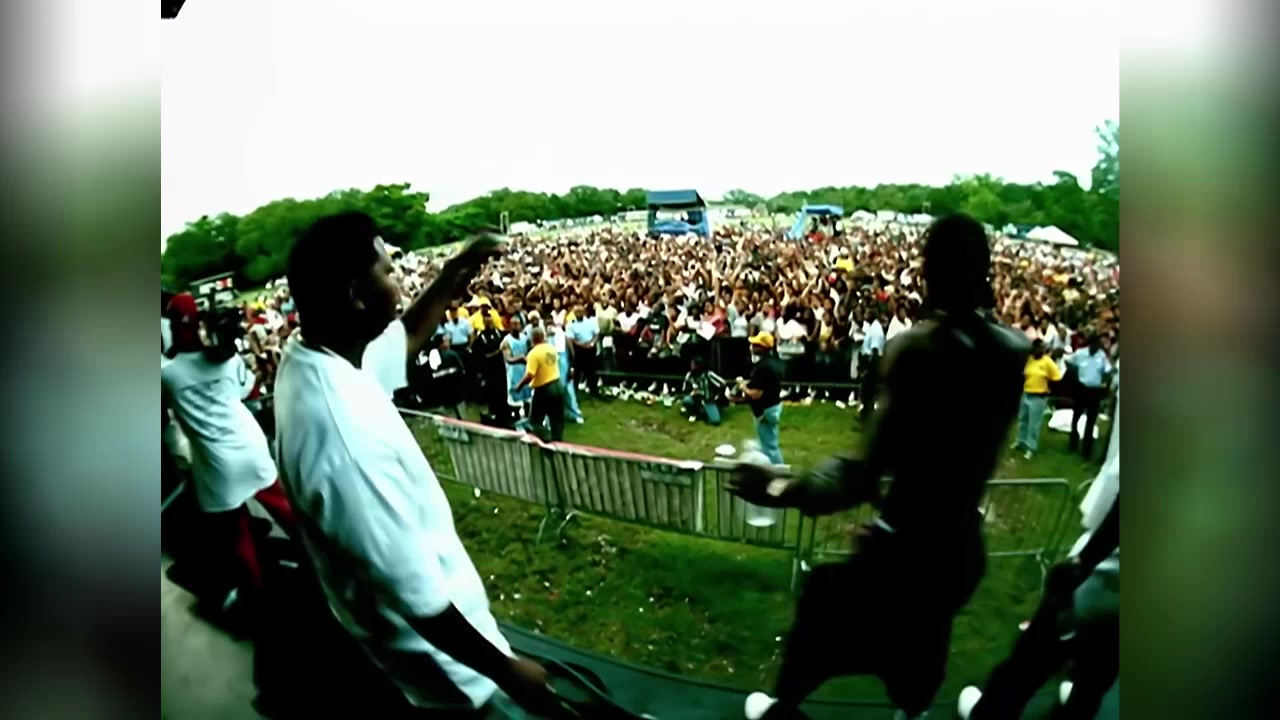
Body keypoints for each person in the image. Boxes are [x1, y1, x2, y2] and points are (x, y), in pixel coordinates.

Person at [729, 214, 1028, 720]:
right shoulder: (1012, 352)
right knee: (925, 635)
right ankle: (912, 709)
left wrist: (777, 488)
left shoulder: (917, 350)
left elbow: (861, 475)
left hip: (906, 548)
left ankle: (783, 709)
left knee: (823, 608)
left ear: (930, 273)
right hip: (959, 548)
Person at [272, 212, 556, 716]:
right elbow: (417, 598)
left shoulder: (319, 354)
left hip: (447, 652)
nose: (398, 277)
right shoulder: (343, 437)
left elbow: (401, 340)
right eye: (387, 270)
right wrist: (506, 672)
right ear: (356, 294)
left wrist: (453, 274)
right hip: (456, 675)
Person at [958, 428, 1119, 720]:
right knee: (1102, 665)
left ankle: (990, 714)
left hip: (1106, 575)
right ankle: (1079, 698)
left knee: (1031, 658)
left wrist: (1082, 564)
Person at [161, 293, 296, 621]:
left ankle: (258, 596)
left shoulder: (166, 374)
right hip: (250, 447)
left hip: (217, 466)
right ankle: (326, 561)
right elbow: (251, 392)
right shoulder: (227, 359)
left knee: (237, 534)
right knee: (287, 512)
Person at [734, 332, 784, 465]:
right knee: (768, 443)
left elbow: (756, 394)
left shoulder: (763, 367)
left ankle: (778, 470)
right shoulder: (774, 362)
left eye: (755, 344)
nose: (752, 346)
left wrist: (742, 386)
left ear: (763, 347)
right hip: (773, 406)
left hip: (766, 410)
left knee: (770, 447)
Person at [514, 325, 566, 442]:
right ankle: (557, 442)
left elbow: (530, 375)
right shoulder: (551, 348)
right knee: (557, 419)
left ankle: (546, 439)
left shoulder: (533, 353)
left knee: (535, 421)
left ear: (532, 338)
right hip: (557, 384)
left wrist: (519, 386)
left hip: (544, 389)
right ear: (543, 337)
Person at [1013, 339, 1063, 459]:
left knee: (1033, 425)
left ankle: (1031, 448)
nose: (1039, 350)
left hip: (1038, 397)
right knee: (1023, 420)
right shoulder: (1030, 360)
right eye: (1037, 348)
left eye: (1042, 348)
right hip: (1026, 393)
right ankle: (1020, 441)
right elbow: (1024, 374)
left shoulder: (1047, 361)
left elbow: (1057, 377)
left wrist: (1048, 387)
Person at [1065, 334, 1112, 460]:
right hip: (1081, 388)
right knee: (1076, 417)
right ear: (1090, 344)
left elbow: (1108, 370)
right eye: (1095, 345)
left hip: (1095, 391)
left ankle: (1087, 449)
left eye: (1098, 346)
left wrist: (1105, 380)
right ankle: (1073, 442)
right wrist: (1074, 375)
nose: (1096, 348)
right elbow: (1068, 360)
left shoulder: (1101, 356)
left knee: (1091, 420)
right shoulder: (1080, 353)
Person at [473, 311, 509, 424]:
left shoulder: (500, 334)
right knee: (493, 393)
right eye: (487, 322)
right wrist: (499, 351)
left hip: (502, 369)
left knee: (503, 392)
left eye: (491, 321)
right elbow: (482, 356)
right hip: (489, 371)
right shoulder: (480, 339)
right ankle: (494, 414)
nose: (490, 324)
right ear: (484, 323)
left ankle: (505, 414)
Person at [548, 318, 584, 424]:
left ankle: (575, 414)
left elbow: (572, 353)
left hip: (565, 369)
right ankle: (555, 416)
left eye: (550, 324)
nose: (549, 327)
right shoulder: (545, 339)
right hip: (551, 371)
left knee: (569, 392)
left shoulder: (562, 336)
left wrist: (571, 368)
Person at [501, 316, 533, 427]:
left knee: (528, 397)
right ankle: (516, 422)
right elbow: (508, 358)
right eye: (513, 324)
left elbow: (530, 351)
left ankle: (528, 420)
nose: (516, 326)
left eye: (518, 324)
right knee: (515, 398)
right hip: (513, 373)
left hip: (525, 371)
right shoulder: (506, 341)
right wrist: (520, 358)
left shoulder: (525, 338)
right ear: (510, 326)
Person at [680, 356, 722, 426]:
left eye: (693, 364)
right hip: (695, 399)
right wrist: (691, 393)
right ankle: (694, 412)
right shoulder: (689, 375)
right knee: (687, 400)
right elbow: (684, 389)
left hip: (708, 400)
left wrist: (717, 396)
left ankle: (705, 413)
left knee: (715, 421)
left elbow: (722, 383)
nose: (691, 366)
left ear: (698, 366)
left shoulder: (708, 374)